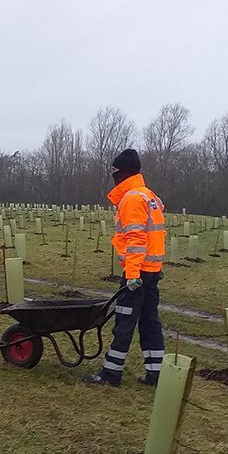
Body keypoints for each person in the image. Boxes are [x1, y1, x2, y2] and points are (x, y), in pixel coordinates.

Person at [85, 149, 166, 387]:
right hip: (151, 271)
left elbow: (136, 240)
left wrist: (131, 275)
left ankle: (111, 374)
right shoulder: (149, 196)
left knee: (125, 321)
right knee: (150, 321)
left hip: (137, 274)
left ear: (121, 173)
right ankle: (156, 373)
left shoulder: (132, 198)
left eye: (114, 173)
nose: (113, 178)